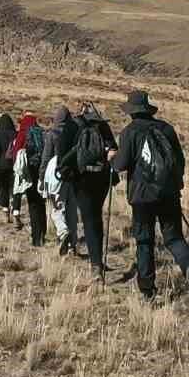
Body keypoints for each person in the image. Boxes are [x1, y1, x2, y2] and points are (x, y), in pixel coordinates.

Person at [109, 90, 189, 305]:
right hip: (168, 193)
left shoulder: (129, 132)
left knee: (144, 241)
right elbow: (179, 161)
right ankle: (188, 265)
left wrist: (112, 158)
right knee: (173, 237)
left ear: (131, 112)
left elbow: (120, 165)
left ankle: (148, 290)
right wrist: (175, 184)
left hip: (142, 196)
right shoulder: (166, 129)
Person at [57, 102, 119, 282]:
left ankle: (96, 265)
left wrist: (67, 172)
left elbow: (62, 153)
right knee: (96, 216)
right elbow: (114, 150)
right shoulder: (103, 125)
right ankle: (97, 261)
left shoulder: (71, 126)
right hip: (101, 179)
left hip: (80, 178)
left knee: (89, 218)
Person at [9, 112, 47, 245]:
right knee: (41, 203)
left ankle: (36, 238)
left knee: (33, 205)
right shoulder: (42, 132)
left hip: (29, 172)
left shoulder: (23, 133)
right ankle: (43, 233)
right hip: (42, 171)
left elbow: (15, 152)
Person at [43, 107, 77, 255]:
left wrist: (41, 176)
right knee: (72, 212)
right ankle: (72, 246)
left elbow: (46, 157)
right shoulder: (75, 132)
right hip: (73, 175)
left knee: (57, 209)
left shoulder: (52, 134)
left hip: (56, 175)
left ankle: (63, 233)